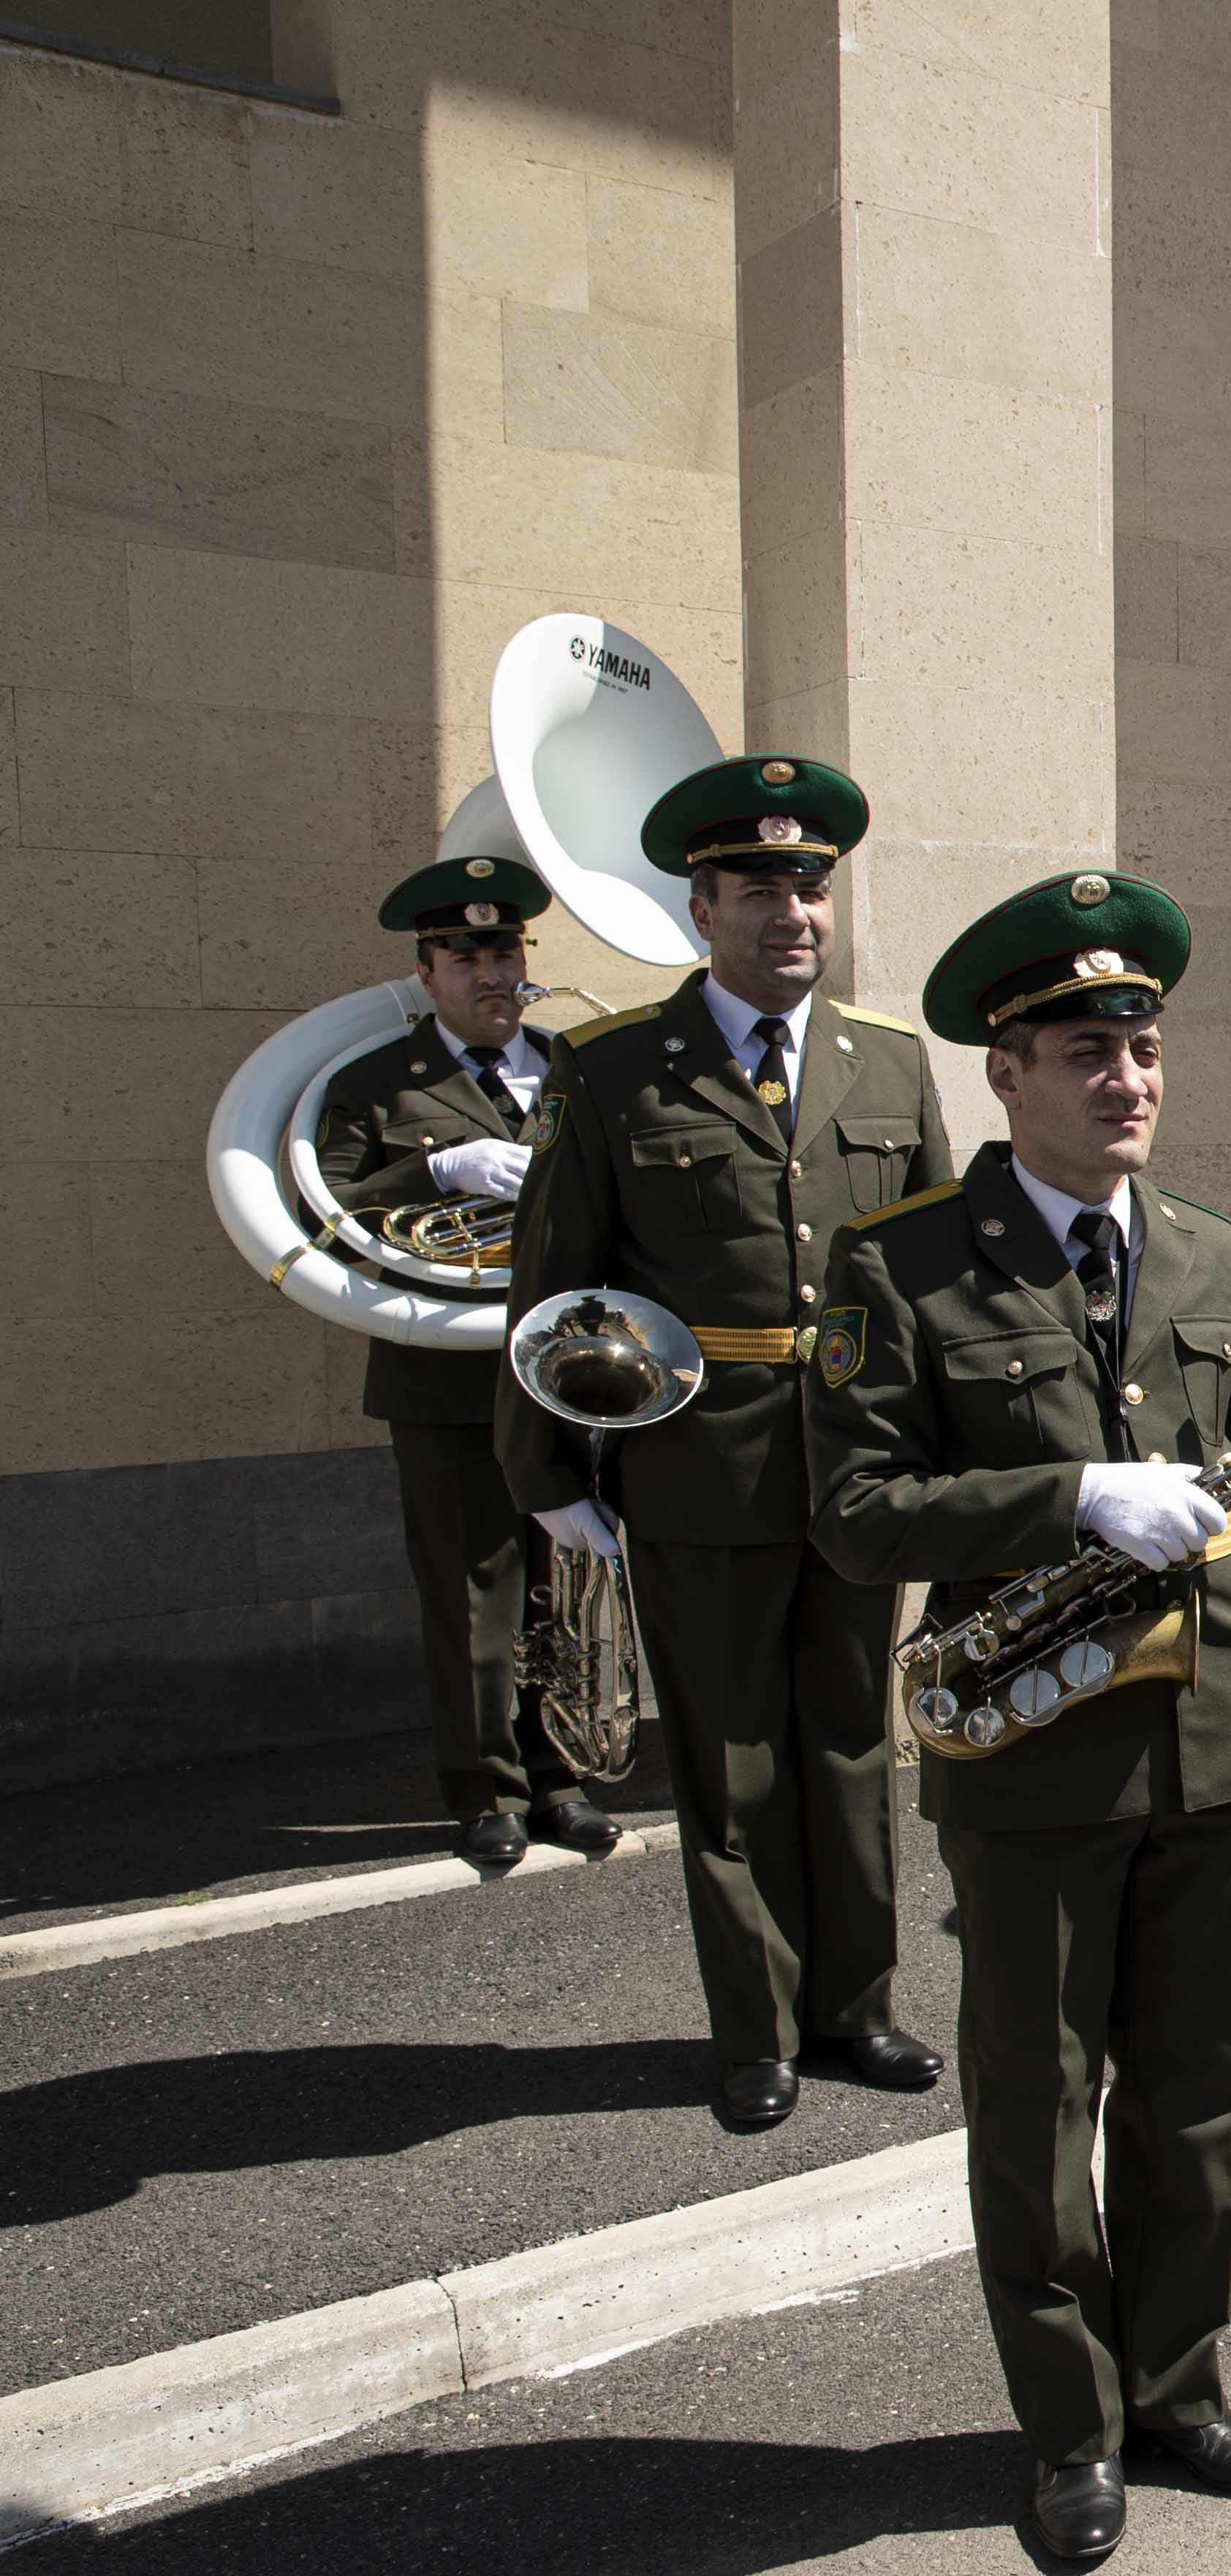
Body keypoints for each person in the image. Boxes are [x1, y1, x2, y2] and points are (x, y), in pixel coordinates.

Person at [806, 870, 1231, 2564]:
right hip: (1033, 1748)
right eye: (1087, 1050)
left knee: (1187, 2096)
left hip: (1214, 1733)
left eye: (1145, 1047)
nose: (1127, 1078)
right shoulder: (897, 1269)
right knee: (1037, 2109)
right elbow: (855, 1512)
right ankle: (1068, 2426)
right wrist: (1067, 1497)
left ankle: (1175, 2386)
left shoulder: (1204, 1247)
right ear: (1004, 1074)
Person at [496, 754, 952, 2132]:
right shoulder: (614, 1068)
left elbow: (934, 1274)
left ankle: (858, 2007)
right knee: (732, 1755)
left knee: (854, 1745)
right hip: (700, 1467)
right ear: (702, 905)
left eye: (809, 882)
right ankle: (756, 2027)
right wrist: (550, 1472)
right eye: (759, 885)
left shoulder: (889, 1060)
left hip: (860, 1466)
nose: (792, 909)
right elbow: (553, 1282)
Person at [315, 856, 624, 1868]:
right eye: (469, 954)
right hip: (443, 1381)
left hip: (567, 1375)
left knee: (566, 1588)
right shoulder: (375, 1084)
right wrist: (435, 1167)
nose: (494, 972)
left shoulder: (578, 1066)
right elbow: (329, 1210)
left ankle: (559, 1777)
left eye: (507, 949)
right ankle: (484, 1792)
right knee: (471, 1595)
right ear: (429, 968)